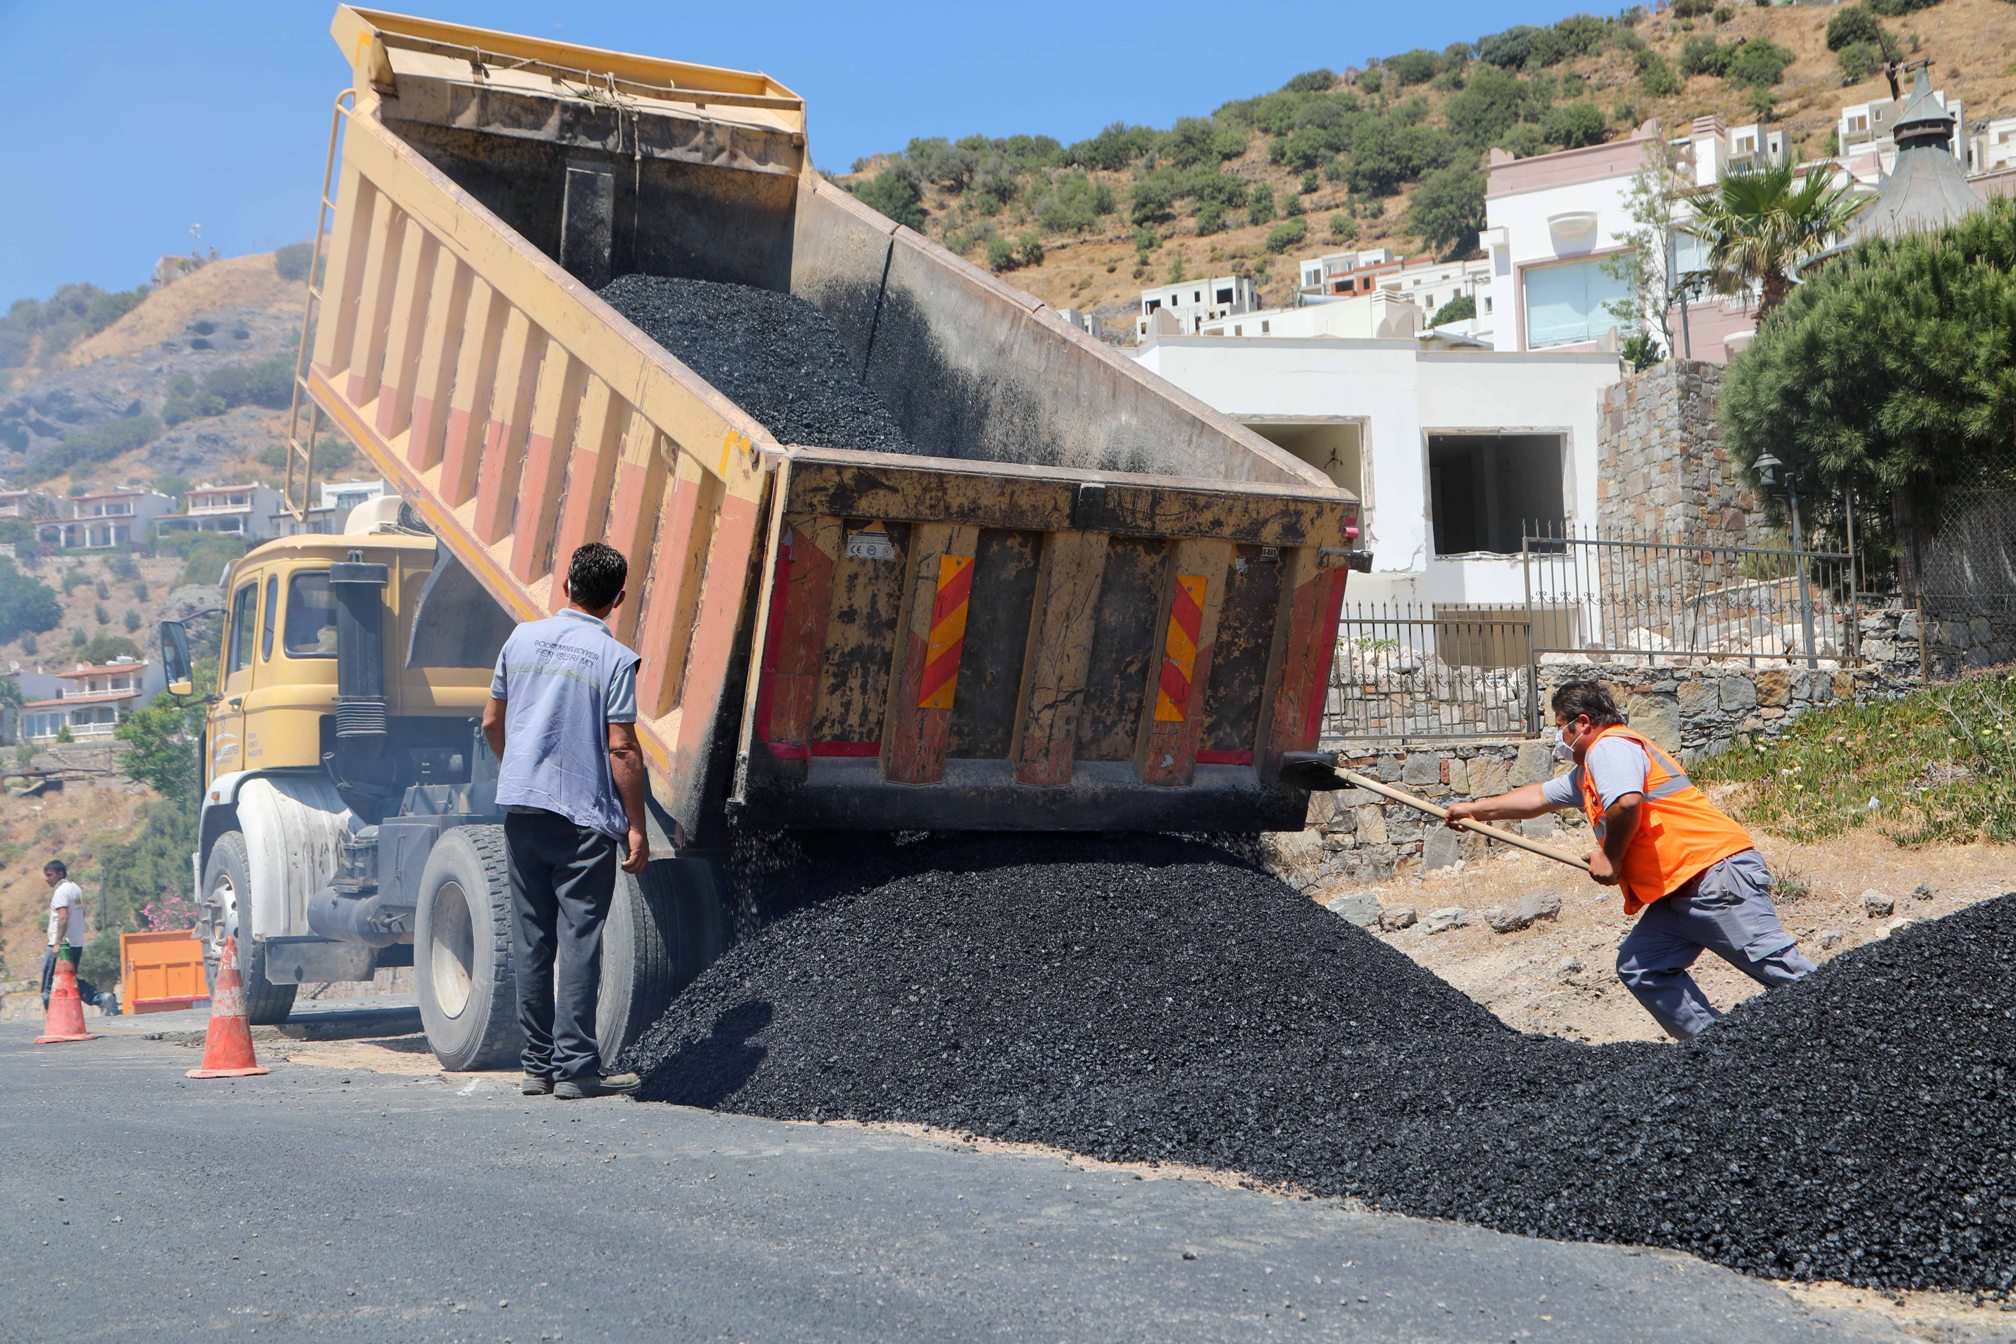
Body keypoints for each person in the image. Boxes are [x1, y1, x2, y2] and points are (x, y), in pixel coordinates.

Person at [1444, 681, 1815, 1040]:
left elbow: (1626, 803)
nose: (1559, 738)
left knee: (1779, 969)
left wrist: (1610, 856)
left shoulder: (1611, 749)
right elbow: (1537, 798)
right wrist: (1474, 810)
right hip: (1680, 889)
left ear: (1583, 723)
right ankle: (1720, 1053)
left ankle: (1855, 1023)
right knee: (1642, 966)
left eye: (1561, 727)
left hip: (1712, 875)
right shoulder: (1590, 771)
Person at [482, 543, 649, 1100]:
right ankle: (577, 1069)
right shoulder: (615, 659)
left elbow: (490, 723)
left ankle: (537, 1067)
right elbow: (621, 748)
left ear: (565, 586)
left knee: (532, 939)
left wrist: (519, 770)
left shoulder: (519, 638)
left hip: (523, 812)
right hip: (582, 819)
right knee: (579, 938)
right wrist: (637, 826)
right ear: (618, 599)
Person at [41, 860, 114, 1014]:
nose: (47, 879)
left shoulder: (61, 892)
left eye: (50, 875)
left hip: (61, 946)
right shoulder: (76, 889)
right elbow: (80, 913)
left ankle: (55, 1020)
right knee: (69, 979)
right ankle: (100, 998)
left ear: (60, 873)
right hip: (76, 944)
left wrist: (57, 943)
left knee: (48, 986)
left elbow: (63, 917)